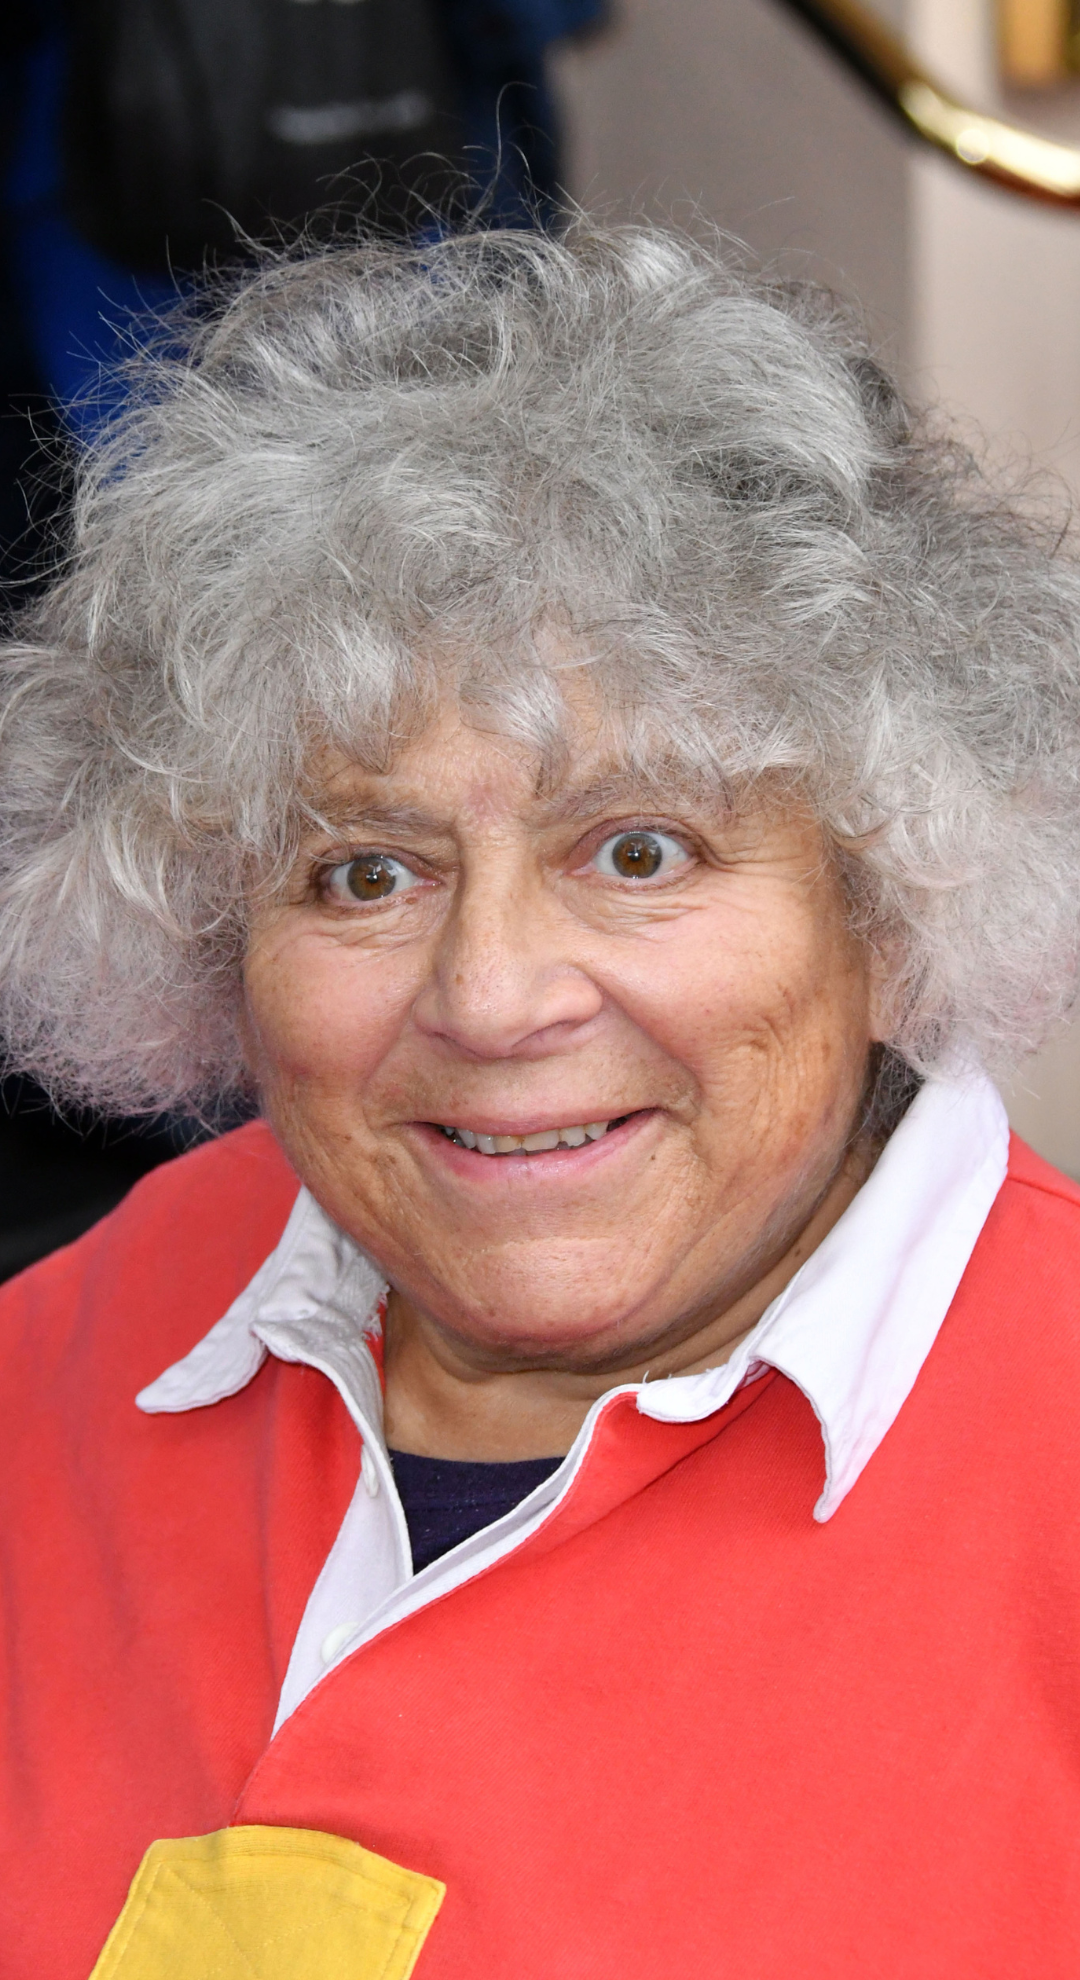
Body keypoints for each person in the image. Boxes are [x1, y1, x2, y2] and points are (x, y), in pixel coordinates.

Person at [1, 222, 1079, 1980]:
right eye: (362, 874)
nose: (492, 997)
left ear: (888, 897)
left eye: (638, 851)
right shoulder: (86, 1340)